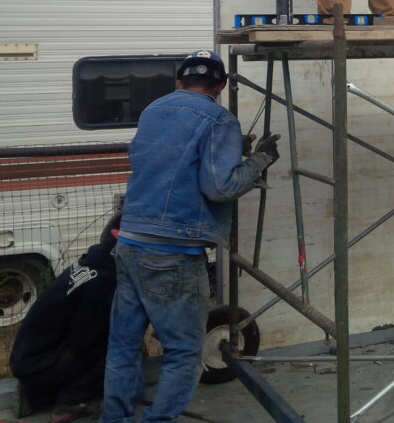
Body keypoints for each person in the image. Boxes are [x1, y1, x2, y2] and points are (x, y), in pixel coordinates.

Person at [100, 51, 280, 423]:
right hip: (173, 251)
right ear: (220, 86)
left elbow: (173, 162)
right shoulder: (219, 119)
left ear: (179, 82)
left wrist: (234, 153)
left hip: (130, 241)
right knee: (183, 351)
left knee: (122, 345)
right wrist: (259, 161)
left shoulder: (153, 110)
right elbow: (220, 186)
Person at [10, 221, 120, 423]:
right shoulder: (105, 281)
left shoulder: (89, 264)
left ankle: (35, 392)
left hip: (26, 359)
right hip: (38, 365)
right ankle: (73, 402)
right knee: (115, 345)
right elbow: (83, 340)